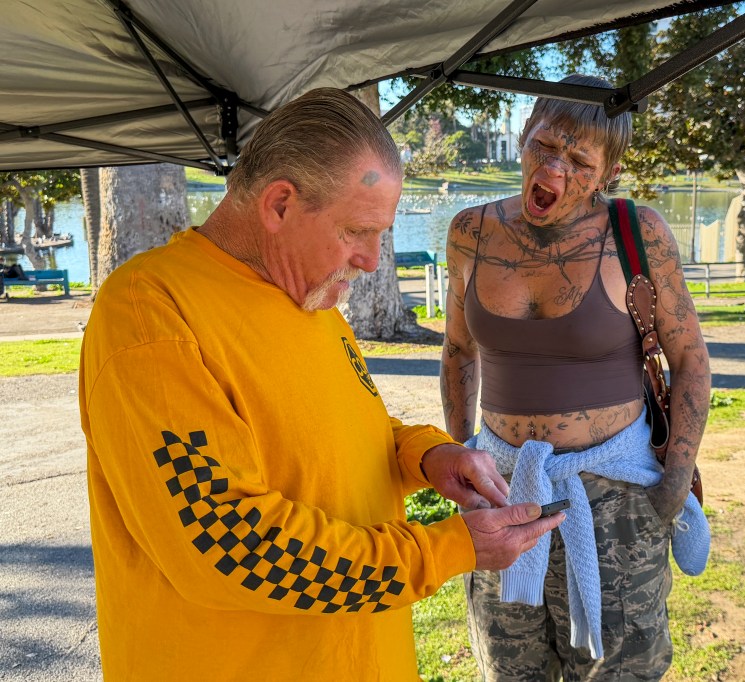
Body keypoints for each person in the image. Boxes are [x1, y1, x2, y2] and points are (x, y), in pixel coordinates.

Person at [78, 88, 564, 681]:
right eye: (357, 231)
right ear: (279, 203)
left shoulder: (308, 296)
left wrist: (426, 455)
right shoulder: (150, 314)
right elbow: (232, 547)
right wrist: (445, 548)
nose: (370, 259)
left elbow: (337, 428)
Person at [441, 74, 711, 680]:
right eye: (545, 146)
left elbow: (690, 360)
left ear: (608, 172)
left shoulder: (637, 234)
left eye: (580, 160)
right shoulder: (470, 231)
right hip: (502, 490)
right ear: (522, 138)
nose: (555, 170)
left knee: (619, 668)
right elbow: (459, 351)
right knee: (509, 666)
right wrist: (460, 456)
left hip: (615, 497)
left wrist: (674, 482)